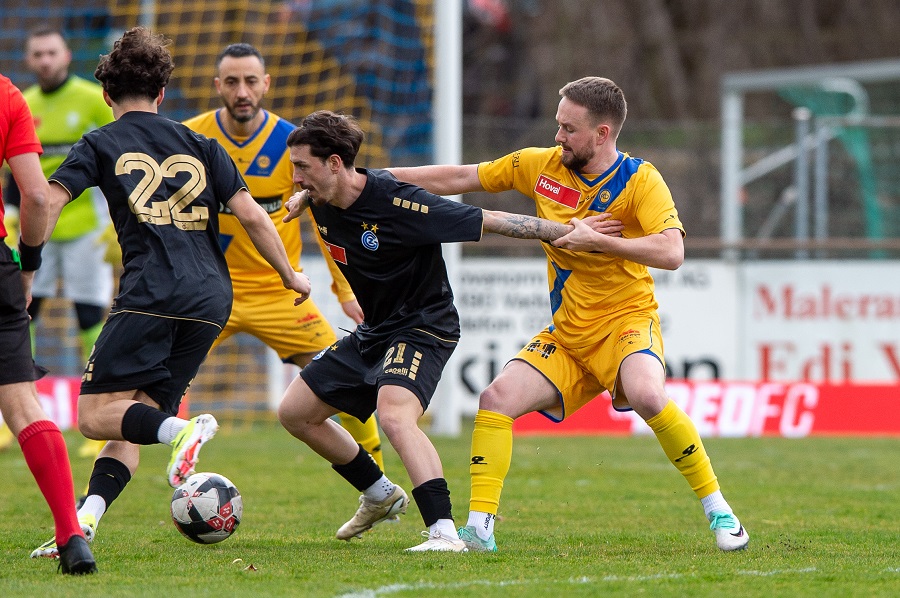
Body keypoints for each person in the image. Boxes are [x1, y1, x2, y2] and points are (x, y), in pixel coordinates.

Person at [386, 76, 750, 553]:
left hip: (624, 322)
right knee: (495, 398)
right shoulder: (540, 166)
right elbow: (460, 178)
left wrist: (598, 241)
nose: (558, 136)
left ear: (602, 133)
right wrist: (371, 180)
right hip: (568, 335)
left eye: (569, 129)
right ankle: (479, 531)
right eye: (558, 125)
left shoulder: (640, 180)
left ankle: (721, 513)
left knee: (646, 394)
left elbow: (672, 251)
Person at [29, 27, 311, 560]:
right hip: (211, 299)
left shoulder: (100, 142)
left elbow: (47, 201)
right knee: (133, 419)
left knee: (93, 416)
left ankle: (183, 429)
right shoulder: (203, 144)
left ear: (106, 95)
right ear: (162, 92)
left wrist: (27, 261)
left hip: (150, 293)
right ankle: (85, 522)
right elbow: (254, 216)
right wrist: (291, 276)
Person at [277, 110, 576, 552]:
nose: (295, 177)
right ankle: (379, 494)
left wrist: (569, 232)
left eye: (302, 167)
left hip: (424, 325)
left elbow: (492, 219)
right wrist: (304, 195)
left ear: (335, 163)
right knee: (294, 412)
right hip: (376, 329)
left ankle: (444, 532)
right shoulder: (322, 194)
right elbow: (318, 190)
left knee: (395, 416)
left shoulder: (401, 204)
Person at [182, 43, 386, 471]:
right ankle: (122, 476)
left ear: (266, 84)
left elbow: (324, 224)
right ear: (217, 85)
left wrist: (344, 290)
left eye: (250, 81)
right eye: (232, 82)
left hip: (282, 294)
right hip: (209, 292)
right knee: (156, 375)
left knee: (347, 379)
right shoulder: (192, 138)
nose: (242, 92)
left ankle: (379, 482)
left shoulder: (292, 146)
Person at [1, 28, 116, 459]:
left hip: (87, 229)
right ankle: (15, 417)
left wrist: (115, 219)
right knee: (21, 316)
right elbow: (13, 174)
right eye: (38, 54)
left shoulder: (92, 99)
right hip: (37, 231)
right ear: (29, 59)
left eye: (52, 52)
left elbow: (121, 155)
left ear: (67, 54)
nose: (45, 60)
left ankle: (100, 419)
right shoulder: (23, 102)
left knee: (90, 316)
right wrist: (13, 216)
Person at [0, 70, 96, 574]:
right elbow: (36, 196)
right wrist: (27, 266)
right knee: (23, 406)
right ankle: (71, 535)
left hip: (83, 239)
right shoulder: (8, 94)